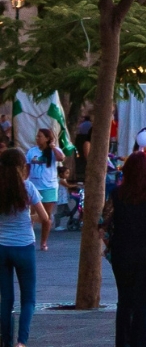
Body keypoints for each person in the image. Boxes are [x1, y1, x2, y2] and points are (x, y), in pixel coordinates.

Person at [103, 149, 146, 347]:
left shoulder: (117, 194)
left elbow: (103, 221)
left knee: (124, 300)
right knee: (144, 302)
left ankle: (122, 342)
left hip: (122, 253)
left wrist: (110, 243)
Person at [0, 147, 49, 347]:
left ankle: (6, 341)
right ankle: (22, 341)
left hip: (2, 247)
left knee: (6, 299)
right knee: (28, 299)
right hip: (24, 247)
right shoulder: (28, 188)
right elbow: (45, 219)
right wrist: (42, 237)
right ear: (22, 167)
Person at [27, 130, 60, 249]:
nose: (37, 138)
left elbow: (61, 158)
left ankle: (43, 242)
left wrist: (53, 148)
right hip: (34, 185)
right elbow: (27, 167)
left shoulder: (53, 151)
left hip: (49, 187)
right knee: (30, 214)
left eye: (40, 136)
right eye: (37, 136)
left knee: (46, 216)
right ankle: (29, 239)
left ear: (47, 138)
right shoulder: (32, 151)